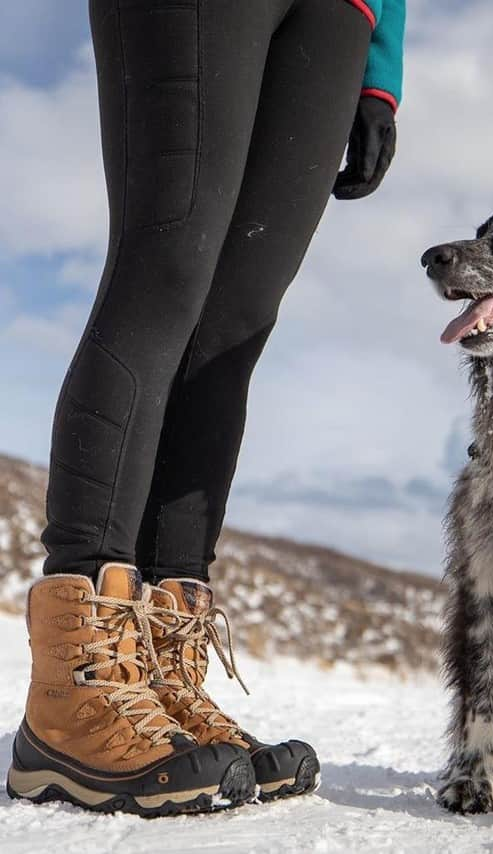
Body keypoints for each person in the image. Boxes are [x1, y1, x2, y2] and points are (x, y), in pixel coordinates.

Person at [7, 0, 405, 815]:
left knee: (234, 326)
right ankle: (73, 691)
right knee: (164, 271)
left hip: (340, 12)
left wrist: (381, 69)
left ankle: (158, 677)